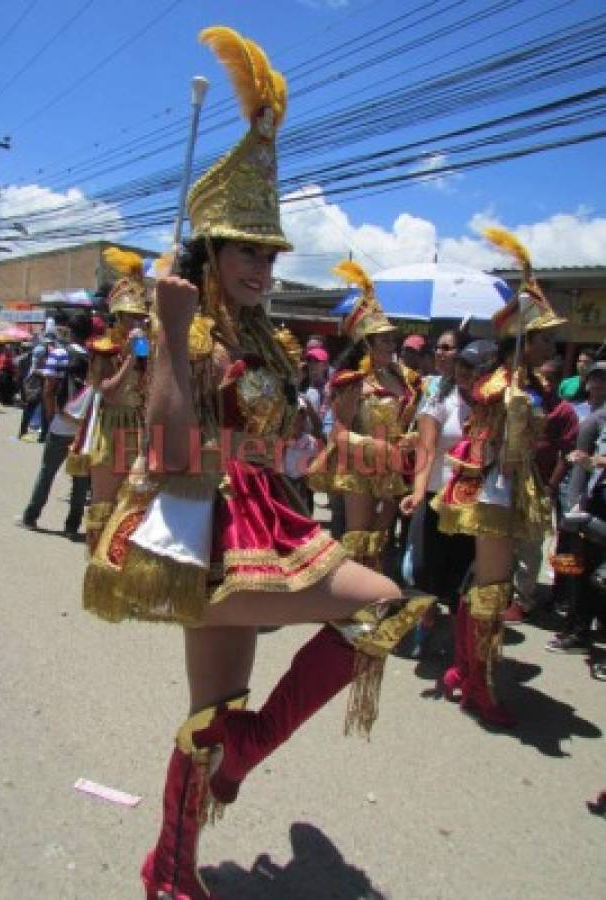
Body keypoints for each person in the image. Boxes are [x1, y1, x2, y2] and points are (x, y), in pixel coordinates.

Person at [82, 28, 431, 900]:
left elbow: (292, 449)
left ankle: (170, 868)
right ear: (208, 252)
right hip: (204, 531)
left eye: (271, 254)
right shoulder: (190, 328)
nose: (264, 267)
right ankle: (237, 761)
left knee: (213, 719)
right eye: (246, 250)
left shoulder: (269, 341)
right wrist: (164, 331)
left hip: (268, 523)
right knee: (383, 603)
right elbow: (164, 449)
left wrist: (358, 450)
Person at [431, 227, 566, 727]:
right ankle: (477, 684)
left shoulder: (523, 383)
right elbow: (485, 436)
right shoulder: (501, 384)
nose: (552, 343)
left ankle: (467, 673)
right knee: (491, 589)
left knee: (490, 587)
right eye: (546, 336)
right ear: (524, 339)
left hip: (509, 488)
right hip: (495, 488)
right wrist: (510, 414)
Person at [320, 260, 418, 571]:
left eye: (393, 338)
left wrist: (407, 440)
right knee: (358, 536)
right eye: (385, 339)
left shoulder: (403, 380)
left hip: (390, 466)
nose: (393, 344)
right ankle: (350, 605)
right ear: (368, 344)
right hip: (359, 465)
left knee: (381, 534)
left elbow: (402, 423)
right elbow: (338, 432)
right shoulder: (352, 382)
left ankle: (372, 597)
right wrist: (373, 446)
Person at [400, 339, 480, 661]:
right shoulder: (438, 400)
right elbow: (426, 449)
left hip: (472, 504)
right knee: (422, 570)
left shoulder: (493, 407)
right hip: (435, 497)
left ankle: (462, 648)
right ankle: (426, 621)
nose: (465, 372)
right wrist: (418, 492)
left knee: (462, 577)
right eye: (461, 364)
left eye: (473, 367)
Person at [70, 250, 148, 553]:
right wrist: (129, 358)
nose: (137, 322)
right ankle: (98, 564)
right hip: (111, 427)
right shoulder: (104, 348)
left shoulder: (146, 349)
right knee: (104, 503)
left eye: (141, 316)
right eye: (131, 316)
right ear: (118, 315)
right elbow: (107, 391)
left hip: (138, 428)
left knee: (134, 502)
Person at [504, 353, 579, 623]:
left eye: (549, 378)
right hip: (512, 478)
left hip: (540, 483)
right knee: (505, 541)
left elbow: (566, 454)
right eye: (540, 377)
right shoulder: (521, 401)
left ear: (558, 381)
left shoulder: (564, 412)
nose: (543, 382)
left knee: (530, 544)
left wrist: (549, 487)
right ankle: (503, 591)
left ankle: (522, 600)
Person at [546, 361, 606, 654]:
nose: (598, 385)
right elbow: (564, 452)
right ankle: (561, 599)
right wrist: (557, 486)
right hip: (574, 493)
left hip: (592, 499)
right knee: (567, 554)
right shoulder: (578, 411)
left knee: (592, 568)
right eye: (595, 379)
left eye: (604, 380)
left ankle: (585, 622)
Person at [17, 315, 91, 536]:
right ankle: (72, 526)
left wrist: (51, 417)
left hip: (61, 423)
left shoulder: (59, 354)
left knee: (47, 472)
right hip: (85, 425)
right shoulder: (94, 356)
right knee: (80, 479)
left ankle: (31, 516)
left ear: (70, 331)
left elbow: (49, 389)